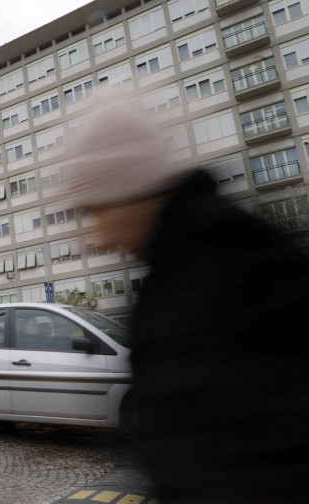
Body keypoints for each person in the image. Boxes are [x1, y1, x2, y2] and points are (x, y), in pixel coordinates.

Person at [63, 91, 309, 503]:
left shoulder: (215, 275)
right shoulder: (187, 264)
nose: (98, 240)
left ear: (129, 189)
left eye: (97, 210)